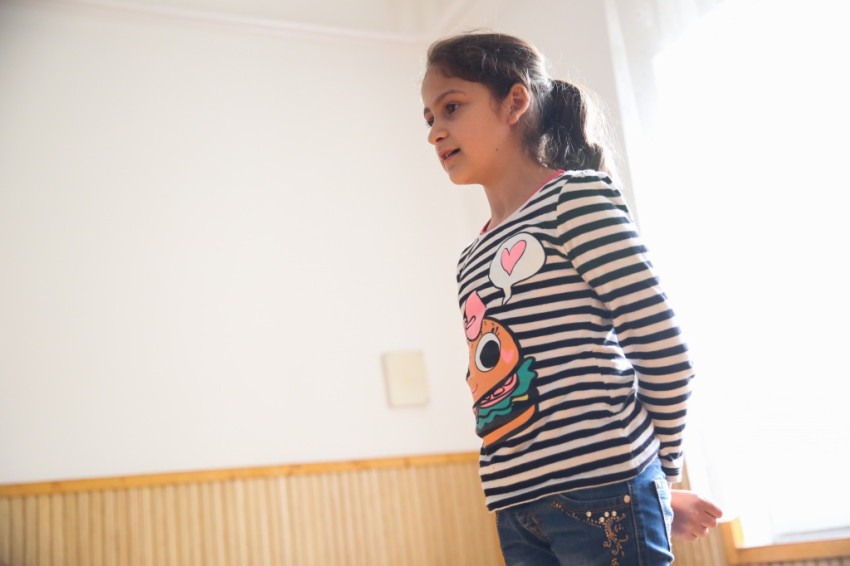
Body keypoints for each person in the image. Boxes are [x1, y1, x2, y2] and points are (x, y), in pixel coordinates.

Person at [420, 32, 722, 565]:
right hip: (515, 505)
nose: (435, 132)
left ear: (514, 102)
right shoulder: (471, 258)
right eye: (428, 119)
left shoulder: (575, 198)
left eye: (452, 107)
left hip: (605, 491)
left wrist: (658, 478)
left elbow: (664, 353)